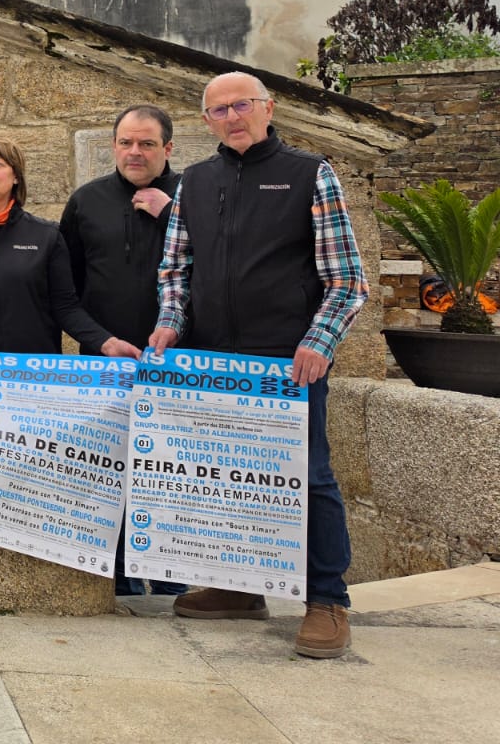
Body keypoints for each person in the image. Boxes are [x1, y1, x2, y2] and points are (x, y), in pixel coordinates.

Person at [149, 71, 368, 660]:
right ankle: (239, 586)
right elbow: (175, 271)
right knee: (221, 474)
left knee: (310, 476)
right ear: (206, 122)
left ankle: (326, 599)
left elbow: (347, 280)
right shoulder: (194, 182)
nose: (232, 117)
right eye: (218, 110)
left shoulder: (309, 174)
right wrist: (170, 322)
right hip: (213, 359)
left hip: (287, 362)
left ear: (268, 108)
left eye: (242, 105)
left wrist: (319, 341)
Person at [59, 104, 186, 597]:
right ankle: (118, 579)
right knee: (109, 471)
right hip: (104, 363)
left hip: (177, 365)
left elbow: (223, 266)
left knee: (171, 474)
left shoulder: (194, 198)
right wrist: (98, 340)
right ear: (114, 146)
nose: (135, 152)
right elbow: (64, 292)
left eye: (147, 144)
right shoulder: (85, 202)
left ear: (167, 149)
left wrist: (170, 214)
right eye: (127, 143)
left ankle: (177, 581)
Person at [0, 137, 125, 429]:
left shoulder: (46, 236)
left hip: (33, 379)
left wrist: (106, 343)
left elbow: (66, 307)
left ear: (16, 177)